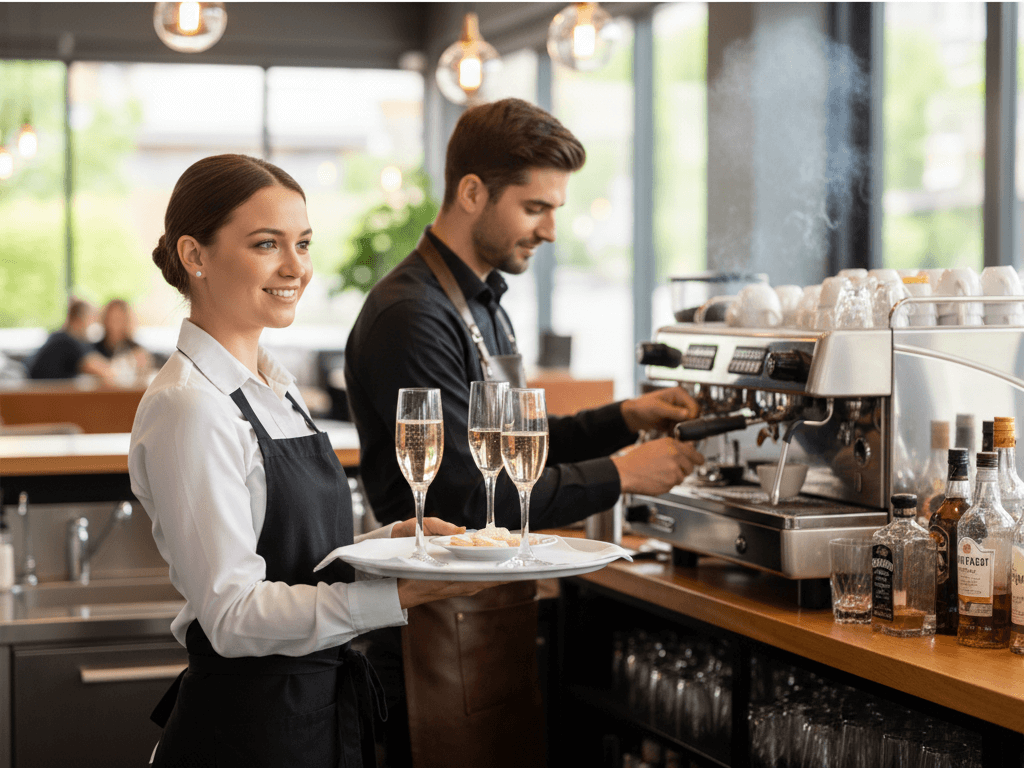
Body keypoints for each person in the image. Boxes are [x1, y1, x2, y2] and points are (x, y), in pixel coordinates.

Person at [344, 98, 705, 768]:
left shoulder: (482, 301)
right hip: (427, 634)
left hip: (484, 618)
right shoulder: (411, 317)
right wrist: (625, 474)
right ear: (473, 192)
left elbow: (513, 452)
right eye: (536, 208)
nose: (551, 231)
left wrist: (623, 419)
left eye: (556, 210)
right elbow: (463, 498)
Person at [129, 154, 498, 768]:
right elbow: (233, 614)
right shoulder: (189, 407)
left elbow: (293, 560)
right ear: (195, 256)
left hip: (314, 718)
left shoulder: (277, 386)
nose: (296, 268)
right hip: (245, 736)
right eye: (266, 244)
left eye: (302, 243)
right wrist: (397, 596)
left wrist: (384, 547)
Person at [27, 298, 114, 381]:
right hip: (44, 392)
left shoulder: (59, 337)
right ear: (81, 319)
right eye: (93, 319)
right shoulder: (68, 343)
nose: (95, 324)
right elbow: (103, 370)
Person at [94, 298, 154, 379]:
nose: (113, 325)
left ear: (127, 321)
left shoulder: (138, 351)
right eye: (111, 319)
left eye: (119, 319)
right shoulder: (93, 351)